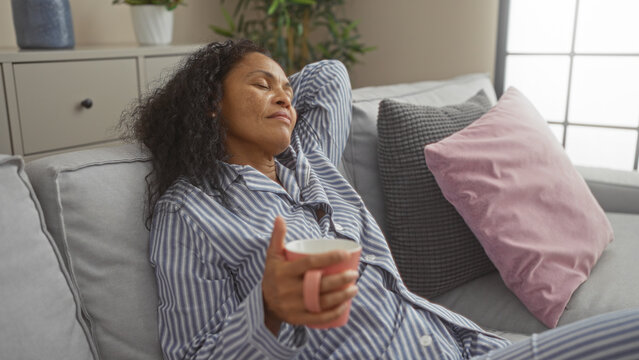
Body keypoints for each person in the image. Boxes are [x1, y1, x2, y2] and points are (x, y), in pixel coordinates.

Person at [123, 39, 639, 359]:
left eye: (285, 89)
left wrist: (271, 94)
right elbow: (193, 353)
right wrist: (268, 310)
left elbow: (329, 76)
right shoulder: (190, 211)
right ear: (210, 106)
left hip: (460, 343)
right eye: (261, 85)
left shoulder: (310, 159)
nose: (284, 97)